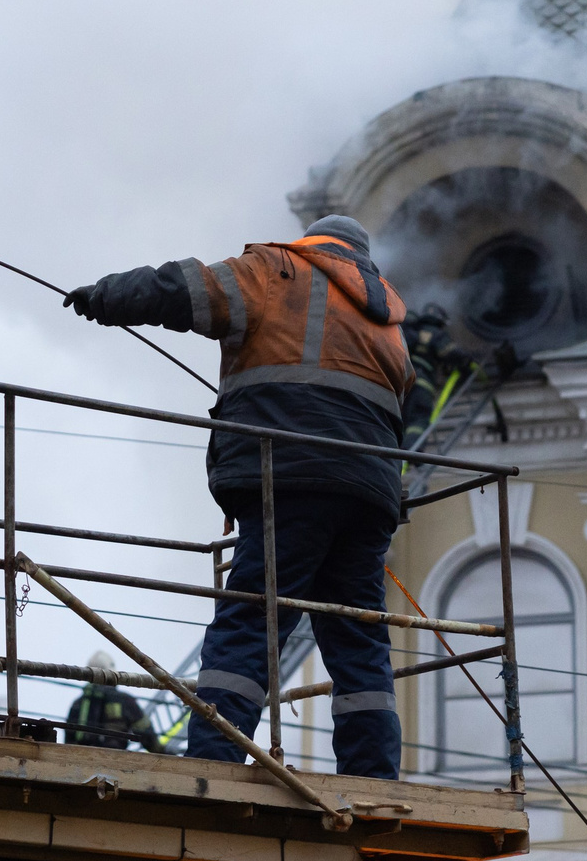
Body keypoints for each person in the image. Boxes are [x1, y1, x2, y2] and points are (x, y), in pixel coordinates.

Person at [65, 215, 410, 778]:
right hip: (369, 497)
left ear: (313, 242)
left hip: (289, 477)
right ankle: (373, 774)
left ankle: (214, 760)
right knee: (359, 639)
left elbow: (185, 289)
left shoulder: (279, 270)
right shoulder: (390, 322)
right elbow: (395, 419)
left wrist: (107, 297)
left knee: (252, 618)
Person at [63, 650, 163, 751]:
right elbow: (147, 735)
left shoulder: (78, 704)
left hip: (82, 756)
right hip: (115, 756)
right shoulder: (125, 700)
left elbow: (69, 740)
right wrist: (163, 753)